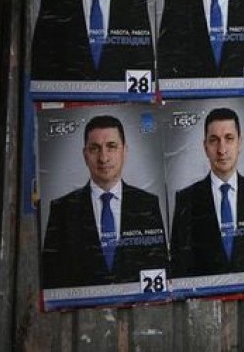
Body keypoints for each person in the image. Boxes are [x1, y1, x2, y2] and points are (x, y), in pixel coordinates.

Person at [41, 115, 168, 289]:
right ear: (85, 155)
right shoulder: (62, 209)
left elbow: (159, 267)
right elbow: (51, 277)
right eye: (95, 148)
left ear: (124, 151)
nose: (103, 158)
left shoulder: (147, 204)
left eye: (111, 147)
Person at [170, 108, 244, 278]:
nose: (222, 149)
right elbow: (179, 267)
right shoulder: (186, 199)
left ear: (240, 143)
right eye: (214, 140)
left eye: (229, 139)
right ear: (205, 146)